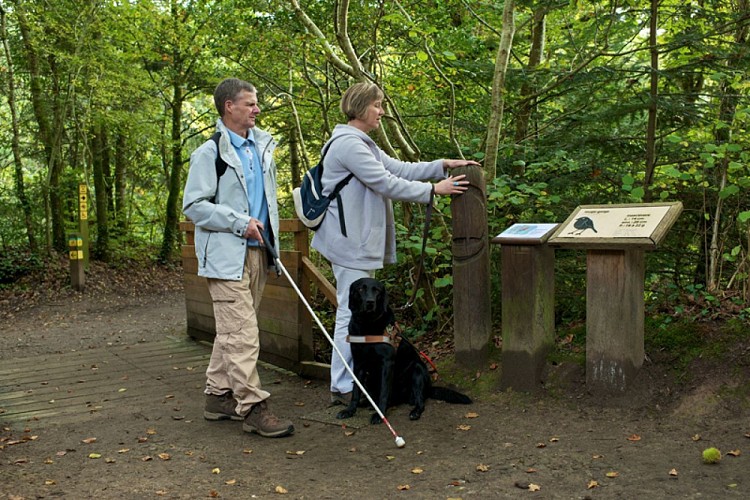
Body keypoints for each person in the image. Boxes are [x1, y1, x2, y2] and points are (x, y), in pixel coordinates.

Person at [311, 81, 480, 406]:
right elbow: (385, 182)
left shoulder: (362, 143)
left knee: (351, 312)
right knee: (350, 313)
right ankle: (344, 386)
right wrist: (433, 191)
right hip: (350, 243)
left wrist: (441, 165)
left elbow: (397, 168)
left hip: (356, 242)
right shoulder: (349, 145)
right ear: (361, 107)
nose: (382, 112)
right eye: (377, 105)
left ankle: (349, 383)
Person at [182, 78, 294, 438]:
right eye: (250, 103)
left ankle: (218, 397)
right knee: (242, 334)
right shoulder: (209, 153)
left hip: (259, 254)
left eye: (256, 103)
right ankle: (252, 407)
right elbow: (194, 206)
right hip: (225, 256)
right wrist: (237, 222)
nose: (257, 109)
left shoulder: (262, 147)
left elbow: (268, 203)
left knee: (233, 332)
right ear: (229, 106)